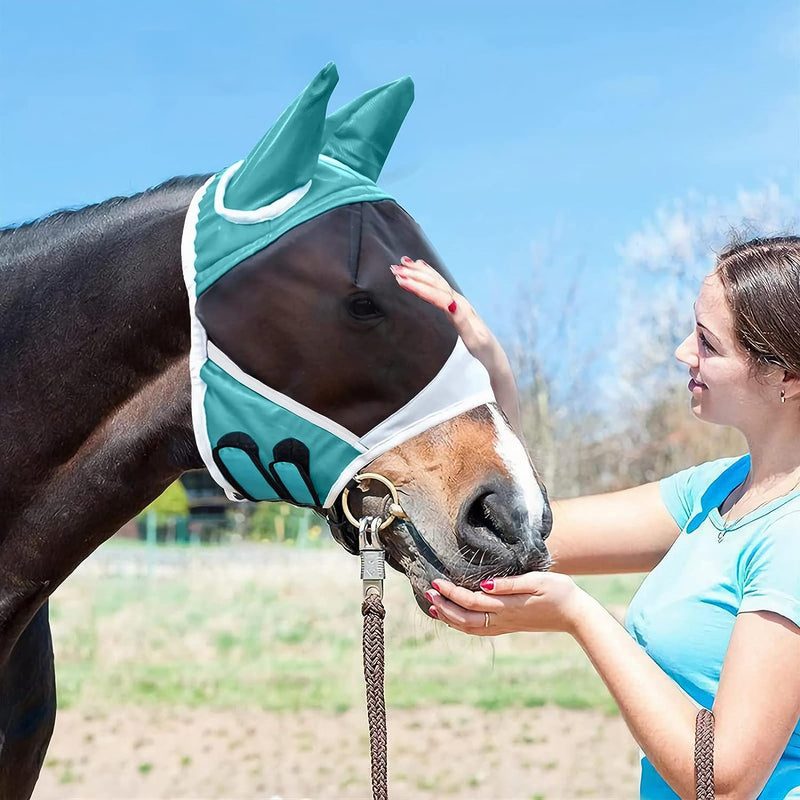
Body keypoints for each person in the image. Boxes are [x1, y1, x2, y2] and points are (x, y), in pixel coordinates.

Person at [390, 239, 800, 800]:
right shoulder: (719, 490)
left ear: (786, 378)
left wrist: (580, 617)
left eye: (708, 342)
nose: (683, 352)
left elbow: (722, 783)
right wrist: (488, 358)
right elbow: (524, 535)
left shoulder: (792, 536)